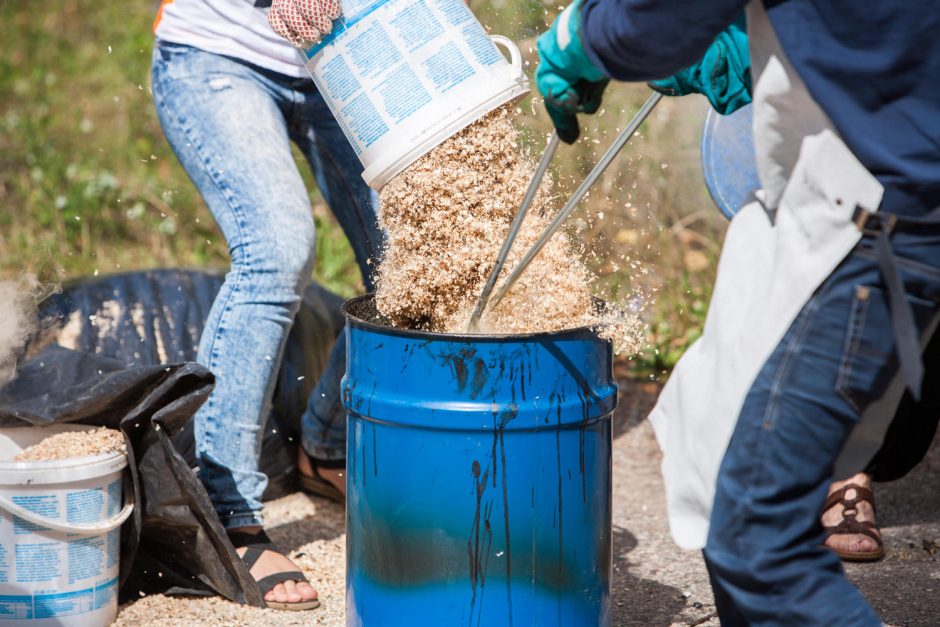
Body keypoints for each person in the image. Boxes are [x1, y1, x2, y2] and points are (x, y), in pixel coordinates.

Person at [535, 1, 940, 624]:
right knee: (714, 456)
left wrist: (582, 36)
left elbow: (650, 18)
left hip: (879, 217)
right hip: (857, 189)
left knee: (759, 538)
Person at [151, 0, 380, 610]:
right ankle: (230, 516)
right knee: (276, 252)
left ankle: (324, 444)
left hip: (349, 57)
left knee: (413, 258)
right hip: (219, 53)